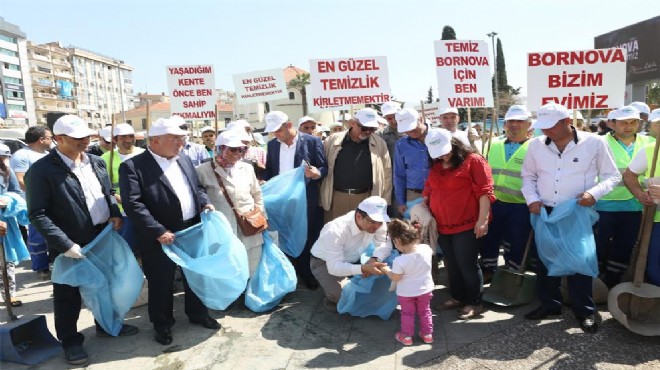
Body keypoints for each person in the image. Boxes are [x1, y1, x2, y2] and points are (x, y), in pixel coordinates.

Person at [26, 115, 138, 365]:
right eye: (77, 138)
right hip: (71, 243)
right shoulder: (42, 171)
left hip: (102, 236)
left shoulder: (96, 162)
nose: (84, 141)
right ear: (59, 139)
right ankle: (71, 342)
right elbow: (38, 213)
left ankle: (106, 325)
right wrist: (65, 244)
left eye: (87, 136)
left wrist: (114, 213)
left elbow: (107, 193)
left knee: (105, 284)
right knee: (68, 295)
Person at [119, 118, 218, 346]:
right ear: (155, 141)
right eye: (175, 139)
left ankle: (198, 313)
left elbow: (197, 188)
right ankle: (162, 324)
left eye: (182, 139)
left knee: (195, 275)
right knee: (161, 281)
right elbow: (133, 205)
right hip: (160, 236)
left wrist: (204, 202)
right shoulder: (133, 166)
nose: (180, 143)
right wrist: (158, 230)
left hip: (191, 228)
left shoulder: (182, 158)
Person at [521, 103, 620, 333]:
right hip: (546, 211)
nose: (546, 131)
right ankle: (549, 304)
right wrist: (531, 199)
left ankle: (585, 310)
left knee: (580, 262)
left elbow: (612, 176)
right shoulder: (536, 145)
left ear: (567, 121)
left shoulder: (594, 143)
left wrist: (593, 194)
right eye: (542, 127)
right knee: (545, 261)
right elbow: (528, 176)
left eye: (551, 126)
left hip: (577, 212)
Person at [423, 128, 494, 320]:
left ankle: (474, 302)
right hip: (443, 224)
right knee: (451, 263)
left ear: (454, 144)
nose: (443, 157)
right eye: (438, 154)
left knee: (467, 264)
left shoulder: (474, 161)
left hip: (467, 224)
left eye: (445, 151)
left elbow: (484, 192)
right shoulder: (437, 165)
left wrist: (482, 221)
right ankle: (457, 296)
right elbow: (429, 189)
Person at [262, 111, 327, 290]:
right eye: (273, 132)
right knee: (283, 234)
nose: (276, 135)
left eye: (278, 131)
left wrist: (317, 173)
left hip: (305, 199)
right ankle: (288, 272)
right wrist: (263, 180)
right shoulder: (273, 145)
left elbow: (323, 167)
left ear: (289, 125)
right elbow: (270, 170)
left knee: (305, 235)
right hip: (280, 200)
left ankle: (306, 272)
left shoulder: (312, 141)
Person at [594, 106, 652, 288]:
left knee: (625, 247)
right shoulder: (598, 143)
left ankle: (612, 282)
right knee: (597, 246)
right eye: (624, 123)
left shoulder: (649, 142)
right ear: (612, 124)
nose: (629, 127)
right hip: (603, 205)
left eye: (633, 122)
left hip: (635, 207)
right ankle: (594, 283)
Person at [196, 130, 265, 275]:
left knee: (251, 267)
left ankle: (249, 295)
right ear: (220, 148)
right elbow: (199, 196)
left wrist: (259, 216)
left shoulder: (246, 168)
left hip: (249, 228)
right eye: (232, 149)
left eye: (242, 149)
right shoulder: (203, 171)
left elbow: (257, 194)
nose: (237, 153)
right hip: (223, 231)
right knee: (227, 268)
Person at [310, 196, 390, 310]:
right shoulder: (335, 230)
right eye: (372, 222)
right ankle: (331, 296)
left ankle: (347, 281)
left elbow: (385, 243)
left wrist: (375, 259)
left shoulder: (377, 223)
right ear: (358, 216)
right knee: (345, 298)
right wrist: (363, 268)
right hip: (324, 263)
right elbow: (334, 267)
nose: (377, 226)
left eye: (380, 222)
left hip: (354, 259)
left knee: (376, 292)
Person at [481, 105, 533, 282]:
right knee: (489, 238)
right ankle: (488, 269)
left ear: (529, 124)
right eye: (511, 121)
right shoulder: (492, 144)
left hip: (521, 205)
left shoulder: (536, 147)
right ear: (504, 124)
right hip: (494, 202)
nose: (514, 125)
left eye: (519, 121)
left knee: (517, 241)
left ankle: (512, 272)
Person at [320, 108, 392, 222]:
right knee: (338, 234)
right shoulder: (332, 141)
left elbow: (387, 173)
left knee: (363, 236)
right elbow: (322, 167)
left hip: (366, 197)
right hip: (337, 197)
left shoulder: (379, 143)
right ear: (352, 123)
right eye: (364, 128)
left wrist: (385, 201)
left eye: (372, 129)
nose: (368, 132)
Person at [380, 219, 434, 346]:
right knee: (425, 311)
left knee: (407, 313)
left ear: (397, 241)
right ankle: (427, 335)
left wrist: (386, 270)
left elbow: (396, 277)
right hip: (425, 290)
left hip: (406, 293)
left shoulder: (400, 261)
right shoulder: (426, 249)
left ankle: (407, 336)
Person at [623, 108, 660, 286]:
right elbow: (630, 175)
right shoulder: (649, 150)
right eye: (658, 124)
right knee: (653, 266)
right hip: (656, 219)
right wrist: (639, 194)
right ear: (652, 127)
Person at [10, 125, 53, 279]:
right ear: (41, 139)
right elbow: (20, 180)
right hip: (35, 203)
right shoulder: (22, 155)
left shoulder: (48, 154)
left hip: (52, 203)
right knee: (37, 237)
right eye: (49, 137)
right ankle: (41, 267)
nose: (51, 140)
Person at [101, 123, 145, 254]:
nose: (128, 140)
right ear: (114, 140)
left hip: (144, 207)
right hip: (121, 210)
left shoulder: (144, 154)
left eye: (131, 136)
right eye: (123, 137)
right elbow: (104, 184)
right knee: (126, 246)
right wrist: (115, 195)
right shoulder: (105, 158)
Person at [0, 143, 25, 307]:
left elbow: (16, 193)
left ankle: (9, 294)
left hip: (4, 220)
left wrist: (7, 200)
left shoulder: (6, 173)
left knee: (5, 261)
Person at [393, 108, 430, 216]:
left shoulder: (438, 137)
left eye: (412, 126)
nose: (411, 131)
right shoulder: (401, 145)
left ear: (421, 119)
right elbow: (399, 174)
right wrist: (401, 201)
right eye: (406, 129)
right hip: (414, 195)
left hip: (439, 193)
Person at [375, 101, 403, 217]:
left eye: (395, 117)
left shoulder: (411, 131)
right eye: (389, 118)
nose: (393, 121)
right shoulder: (379, 135)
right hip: (390, 182)